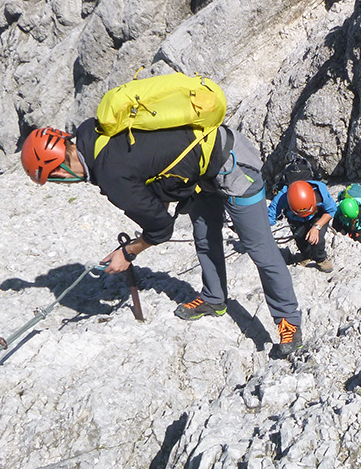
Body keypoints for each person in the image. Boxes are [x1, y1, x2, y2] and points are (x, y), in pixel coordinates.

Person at [21, 122, 304, 359]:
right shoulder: (90, 134)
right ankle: (214, 299)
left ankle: (288, 320)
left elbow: (161, 227)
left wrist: (128, 252)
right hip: (201, 169)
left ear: (58, 170)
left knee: (259, 247)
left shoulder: (109, 174)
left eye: (55, 178)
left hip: (232, 162)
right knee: (205, 235)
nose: (60, 182)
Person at [268, 179, 337, 273]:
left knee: (317, 239)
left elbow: (331, 210)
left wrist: (316, 227)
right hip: (296, 219)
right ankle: (306, 255)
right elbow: (271, 215)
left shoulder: (320, 193)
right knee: (300, 238)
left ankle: (321, 259)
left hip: (317, 216)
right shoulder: (282, 197)